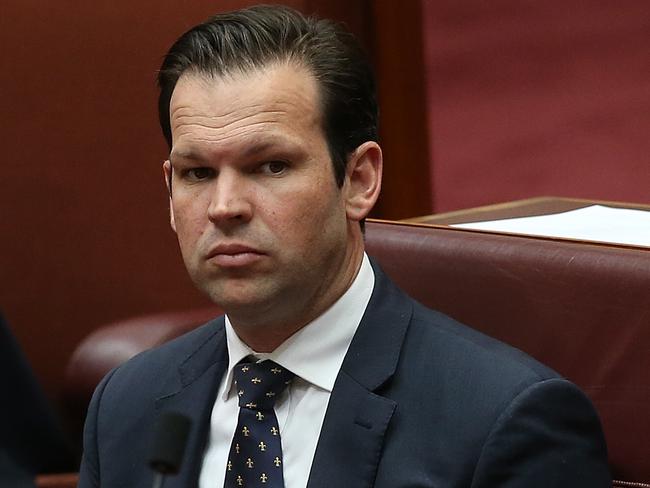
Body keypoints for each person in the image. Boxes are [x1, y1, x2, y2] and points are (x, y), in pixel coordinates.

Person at [78, 5, 610, 487]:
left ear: (358, 180)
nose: (224, 206)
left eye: (271, 166)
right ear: (170, 192)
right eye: (197, 173)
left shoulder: (504, 418)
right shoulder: (127, 404)